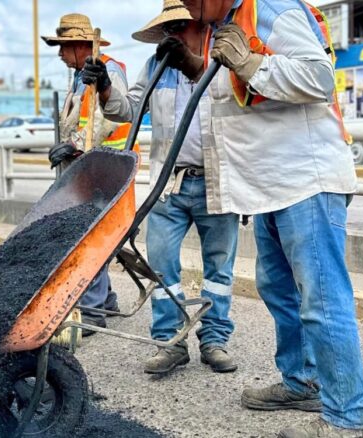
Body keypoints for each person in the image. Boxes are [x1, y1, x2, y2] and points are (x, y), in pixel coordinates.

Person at [164, 0, 363, 436]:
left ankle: (347, 420)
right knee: (280, 291)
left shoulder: (270, 9)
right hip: (270, 187)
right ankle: (302, 384)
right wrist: (197, 66)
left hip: (306, 181)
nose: (185, 4)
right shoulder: (223, 23)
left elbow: (317, 78)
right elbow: (235, 94)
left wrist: (249, 62)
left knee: (322, 299)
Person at [92, 0, 239, 375]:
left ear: (200, 25)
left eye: (179, 27)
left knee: (218, 271)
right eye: (168, 29)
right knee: (161, 266)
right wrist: (106, 88)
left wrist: (192, 64)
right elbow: (128, 109)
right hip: (169, 184)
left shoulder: (222, 59)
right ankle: (169, 341)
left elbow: (240, 105)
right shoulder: (156, 67)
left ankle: (214, 339)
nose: (172, 35)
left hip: (217, 183)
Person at [42, 13, 130, 334]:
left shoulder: (108, 71)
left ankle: (92, 311)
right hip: (85, 171)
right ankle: (105, 299)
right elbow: (77, 121)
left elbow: (109, 120)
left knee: (90, 240)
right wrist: (66, 145)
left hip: (106, 170)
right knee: (86, 236)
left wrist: (74, 144)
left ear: (80, 46)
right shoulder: (79, 78)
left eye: (63, 47)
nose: (59, 54)